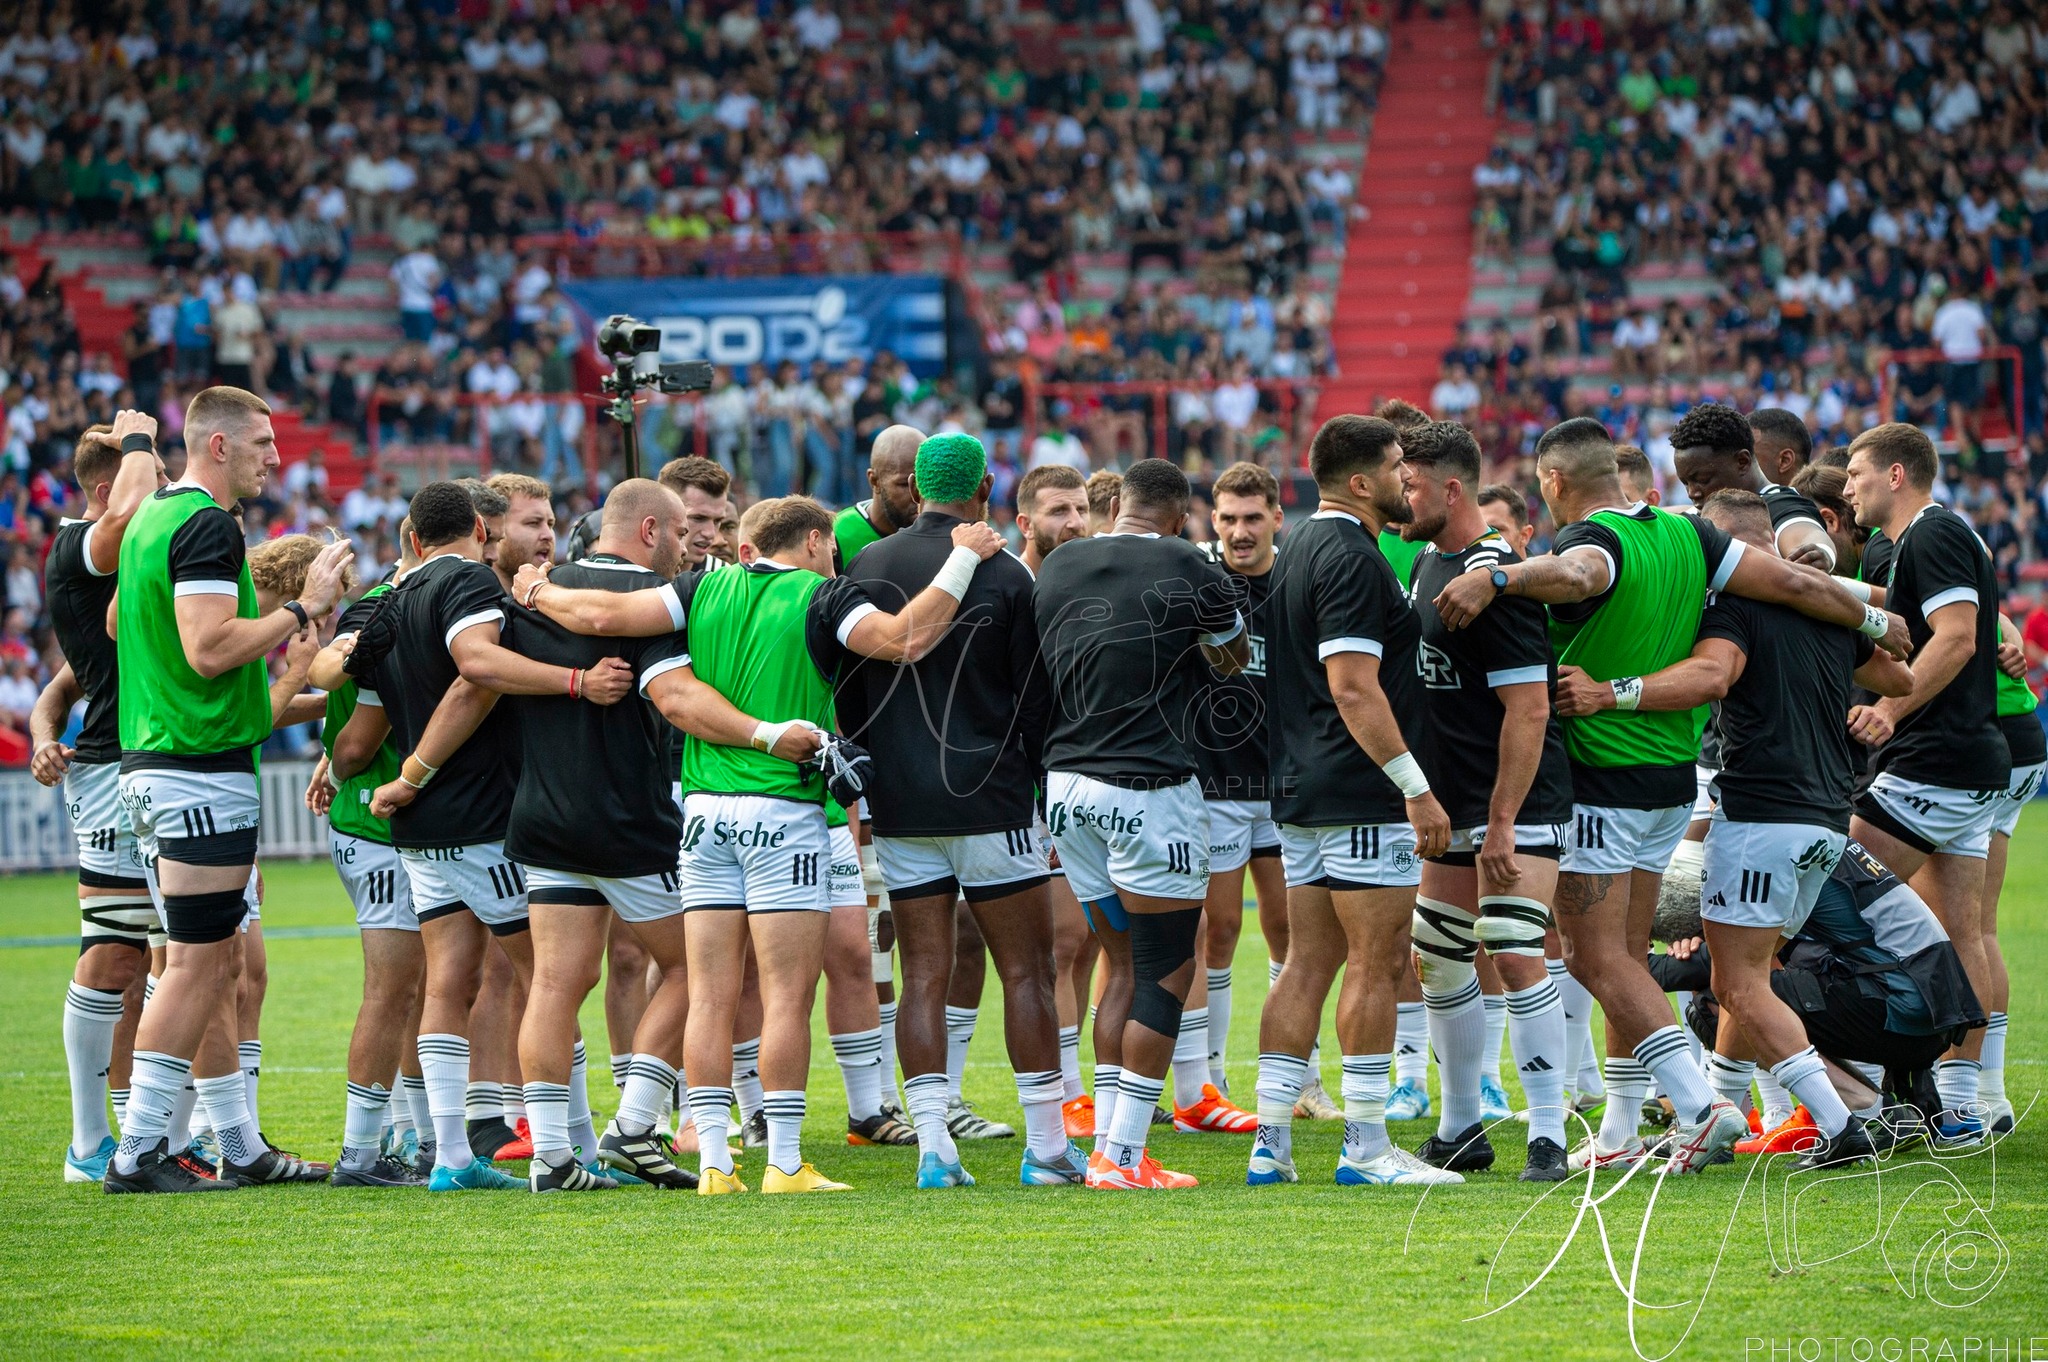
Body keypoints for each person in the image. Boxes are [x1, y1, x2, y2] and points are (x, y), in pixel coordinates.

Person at [1430, 416, 1908, 1174]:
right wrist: (1878, 614)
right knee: (1627, 959)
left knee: (1590, 957)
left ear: (1553, 483)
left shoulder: (1592, 542)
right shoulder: (1691, 537)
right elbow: (1790, 581)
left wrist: (1500, 575)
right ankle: (1622, 1126)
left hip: (1600, 783)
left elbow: (1583, 576)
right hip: (1670, 789)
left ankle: (1700, 1103)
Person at [512, 495, 1004, 1192]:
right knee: (783, 996)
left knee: (710, 992)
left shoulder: (698, 587)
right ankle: (783, 1162)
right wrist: (963, 558)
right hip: (784, 812)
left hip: (706, 813)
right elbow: (903, 638)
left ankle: (713, 1161)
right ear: (812, 540)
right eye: (829, 547)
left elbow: (600, 617)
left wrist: (536, 588)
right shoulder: (823, 597)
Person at [1557, 490, 1914, 1169]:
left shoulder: (1736, 607)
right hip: (1826, 820)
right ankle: (1706, 1130)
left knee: (1740, 985)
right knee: (1745, 976)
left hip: (1762, 817)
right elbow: (1897, 674)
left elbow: (1713, 675)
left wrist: (1610, 692)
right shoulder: (1825, 616)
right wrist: (1868, 662)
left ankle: (1841, 1124)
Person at [324, 481, 633, 1191]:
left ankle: (452, 1159)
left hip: (420, 831)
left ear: (410, 536)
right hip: (479, 818)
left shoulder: (393, 602)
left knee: (449, 981)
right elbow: (476, 672)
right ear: (476, 527)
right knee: (551, 981)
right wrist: (577, 680)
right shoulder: (464, 579)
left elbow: (360, 723)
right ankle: (574, 1150)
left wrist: (380, 773)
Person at [107, 386, 352, 1193]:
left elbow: (117, 621)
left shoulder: (151, 517)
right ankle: (138, 1150)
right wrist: (304, 612)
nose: (275, 458)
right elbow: (211, 649)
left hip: (156, 761)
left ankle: (237, 1145)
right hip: (196, 766)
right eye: (261, 444)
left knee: (200, 962)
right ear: (217, 447)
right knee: (200, 968)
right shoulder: (207, 523)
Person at [840, 433, 1083, 1188]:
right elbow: (1035, 699)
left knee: (923, 976)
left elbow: (850, 695)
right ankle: (1046, 1150)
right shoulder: (1007, 571)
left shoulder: (866, 566)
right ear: (983, 489)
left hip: (902, 806)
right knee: (1028, 972)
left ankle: (934, 1151)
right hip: (993, 802)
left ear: (913, 485)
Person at [1247, 414, 1457, 1190]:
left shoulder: (1300, 543)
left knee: (1307, 964)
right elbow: (1352, 686)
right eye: (1401, 467)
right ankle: (1366, 1147)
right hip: (1362, 794)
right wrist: (1417, 788)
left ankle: (1270, 1145)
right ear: (1362, 482)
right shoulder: (1353, 559)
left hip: (1301, 791)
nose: (1411, 479)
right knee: (1378, 960)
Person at [1034, 458, 1249, 1190]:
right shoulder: (1191, 564)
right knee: (1169, 966)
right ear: (1181, 513)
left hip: (1067, 789)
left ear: (1116, 504)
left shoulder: (1058, 566)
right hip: (1149, 789)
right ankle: (1122, 1157)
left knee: (1118, 963)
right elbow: (1232, 659)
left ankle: (1108, 1142)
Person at [1399, 421, 1575, 1182]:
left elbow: (1529, 710)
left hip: (1517, 802)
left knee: (1511, 949)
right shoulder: (1426, 564)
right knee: (1437, 957)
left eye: (1408, 485)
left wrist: (1502, 818)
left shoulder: (1493, 574)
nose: (1398, 497)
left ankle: (1547, 1136)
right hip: (1452, 799)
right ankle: (1461, 1127)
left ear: (1450, 489)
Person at [1841, 423, 2010, 1143]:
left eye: (1857, 473)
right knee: (1960, 931)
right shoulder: (1934, 539)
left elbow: (1959, 635)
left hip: (1933, 763)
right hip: (1969, 766)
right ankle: (1964, 1104)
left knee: (1831, 898)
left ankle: (1859, 1095)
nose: (1849, 486)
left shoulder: (1935, 534)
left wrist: (1889, 708)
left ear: (1897, 475)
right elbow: (1900, 602)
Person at [29, 415, 166, 1182]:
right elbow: (120, 518)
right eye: (147, 480)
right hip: (114, 771)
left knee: (163, 953)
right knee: (113, 950)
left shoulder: (121, 570)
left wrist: (46, 723)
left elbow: (71, 678)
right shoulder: (79, 545)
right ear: (111, 490)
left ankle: (156, 1132)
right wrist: (142, 442)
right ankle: (89, 1143)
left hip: (143, 759)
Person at [1652, 840, 1984, 1154]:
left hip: (1900, 1006)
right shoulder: (1815, 837)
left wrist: (1624, 959)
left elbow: (1732, 961)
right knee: (1750, 982)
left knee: (1728, 996)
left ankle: (1870, 1109)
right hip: (1929, 1013)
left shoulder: (1776, 847)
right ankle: (1881, 1104)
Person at [309, 524, 431, 1187]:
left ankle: (416, 1135)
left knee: (412, 989)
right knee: (392, 989)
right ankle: (361, 1152)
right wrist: (339, 762)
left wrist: (332, 761)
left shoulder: (385, 604)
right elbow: (357, 744)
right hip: (376, 825)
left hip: (378, 824)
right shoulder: (391, 612)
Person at [1188, 462, 1294, 1124]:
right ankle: (1215, 1074)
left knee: (1293, 934)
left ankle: (1297, 1076)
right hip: (1218, 780)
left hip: (1286, 783)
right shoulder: (1200, 579)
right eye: (1227, 518)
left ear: (1277, 518)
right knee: (1220, 929)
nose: (1239, 531)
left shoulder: (1300, 579)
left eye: (1253, 518)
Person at [1012, 462, 1103, 1133]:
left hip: (1084, 775)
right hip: (1024, 785)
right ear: (1026, 522)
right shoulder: (1011, 585)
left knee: (1093, 937)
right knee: (1061, 944)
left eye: (1079, 510)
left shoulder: (1088, 579)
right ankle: (1068, 1092)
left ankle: (1090, 1086)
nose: (1072, 523)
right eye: (1058, 512)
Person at [1669, 403, 1837, 569]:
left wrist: (1821, 552)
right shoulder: (1709, 508)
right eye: (1685, 483)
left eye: (1704, 479)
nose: (1692, 492)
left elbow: (1805, 533)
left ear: (1742, 462)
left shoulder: (1779, 505)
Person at [833, 425, 922, 567]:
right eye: (904, 484)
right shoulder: (838, 536)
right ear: (874, 481)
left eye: (924, 482)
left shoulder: (943, 531)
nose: (918, 496)